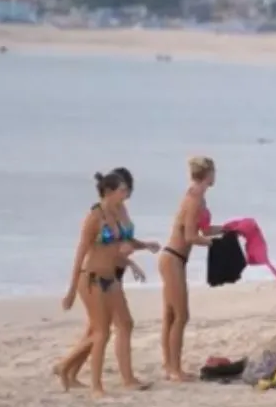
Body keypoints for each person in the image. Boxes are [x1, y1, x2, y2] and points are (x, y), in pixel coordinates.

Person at [56, 167, 160, 390]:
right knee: (100, 332)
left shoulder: (119, 211)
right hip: (91, 278)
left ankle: (72, 368)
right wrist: (71, 291)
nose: (127, 194)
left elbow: (122, 244)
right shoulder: (95, 217)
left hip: (112, 276)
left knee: (122, 324)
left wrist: (142, 247)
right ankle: (89, 381)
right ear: (109, 191)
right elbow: (81, 253)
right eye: (123, 190)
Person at [159, 156, 223, 381]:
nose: (216, 176)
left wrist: (228, 229)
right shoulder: (195, 197)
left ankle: (169, 366)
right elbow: (190, 236)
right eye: (214, 171)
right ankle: (175, 369)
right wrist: (213, 244)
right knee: (181, 315)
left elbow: (203, 230)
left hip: (177, 259)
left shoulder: (200, 197)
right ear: (208, 173)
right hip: (173, 257)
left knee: (170, 315)